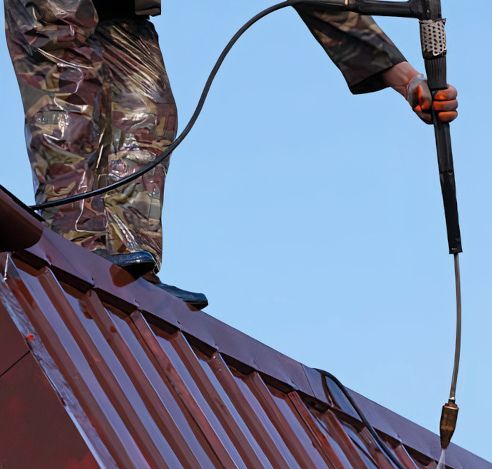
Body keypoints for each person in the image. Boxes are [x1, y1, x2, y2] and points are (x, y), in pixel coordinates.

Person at [4, 1, 458, 308]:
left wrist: (404, 78)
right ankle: (76, 253)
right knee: (68, 89)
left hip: (119, 6)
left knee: (148, 109)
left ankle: (130, 269)